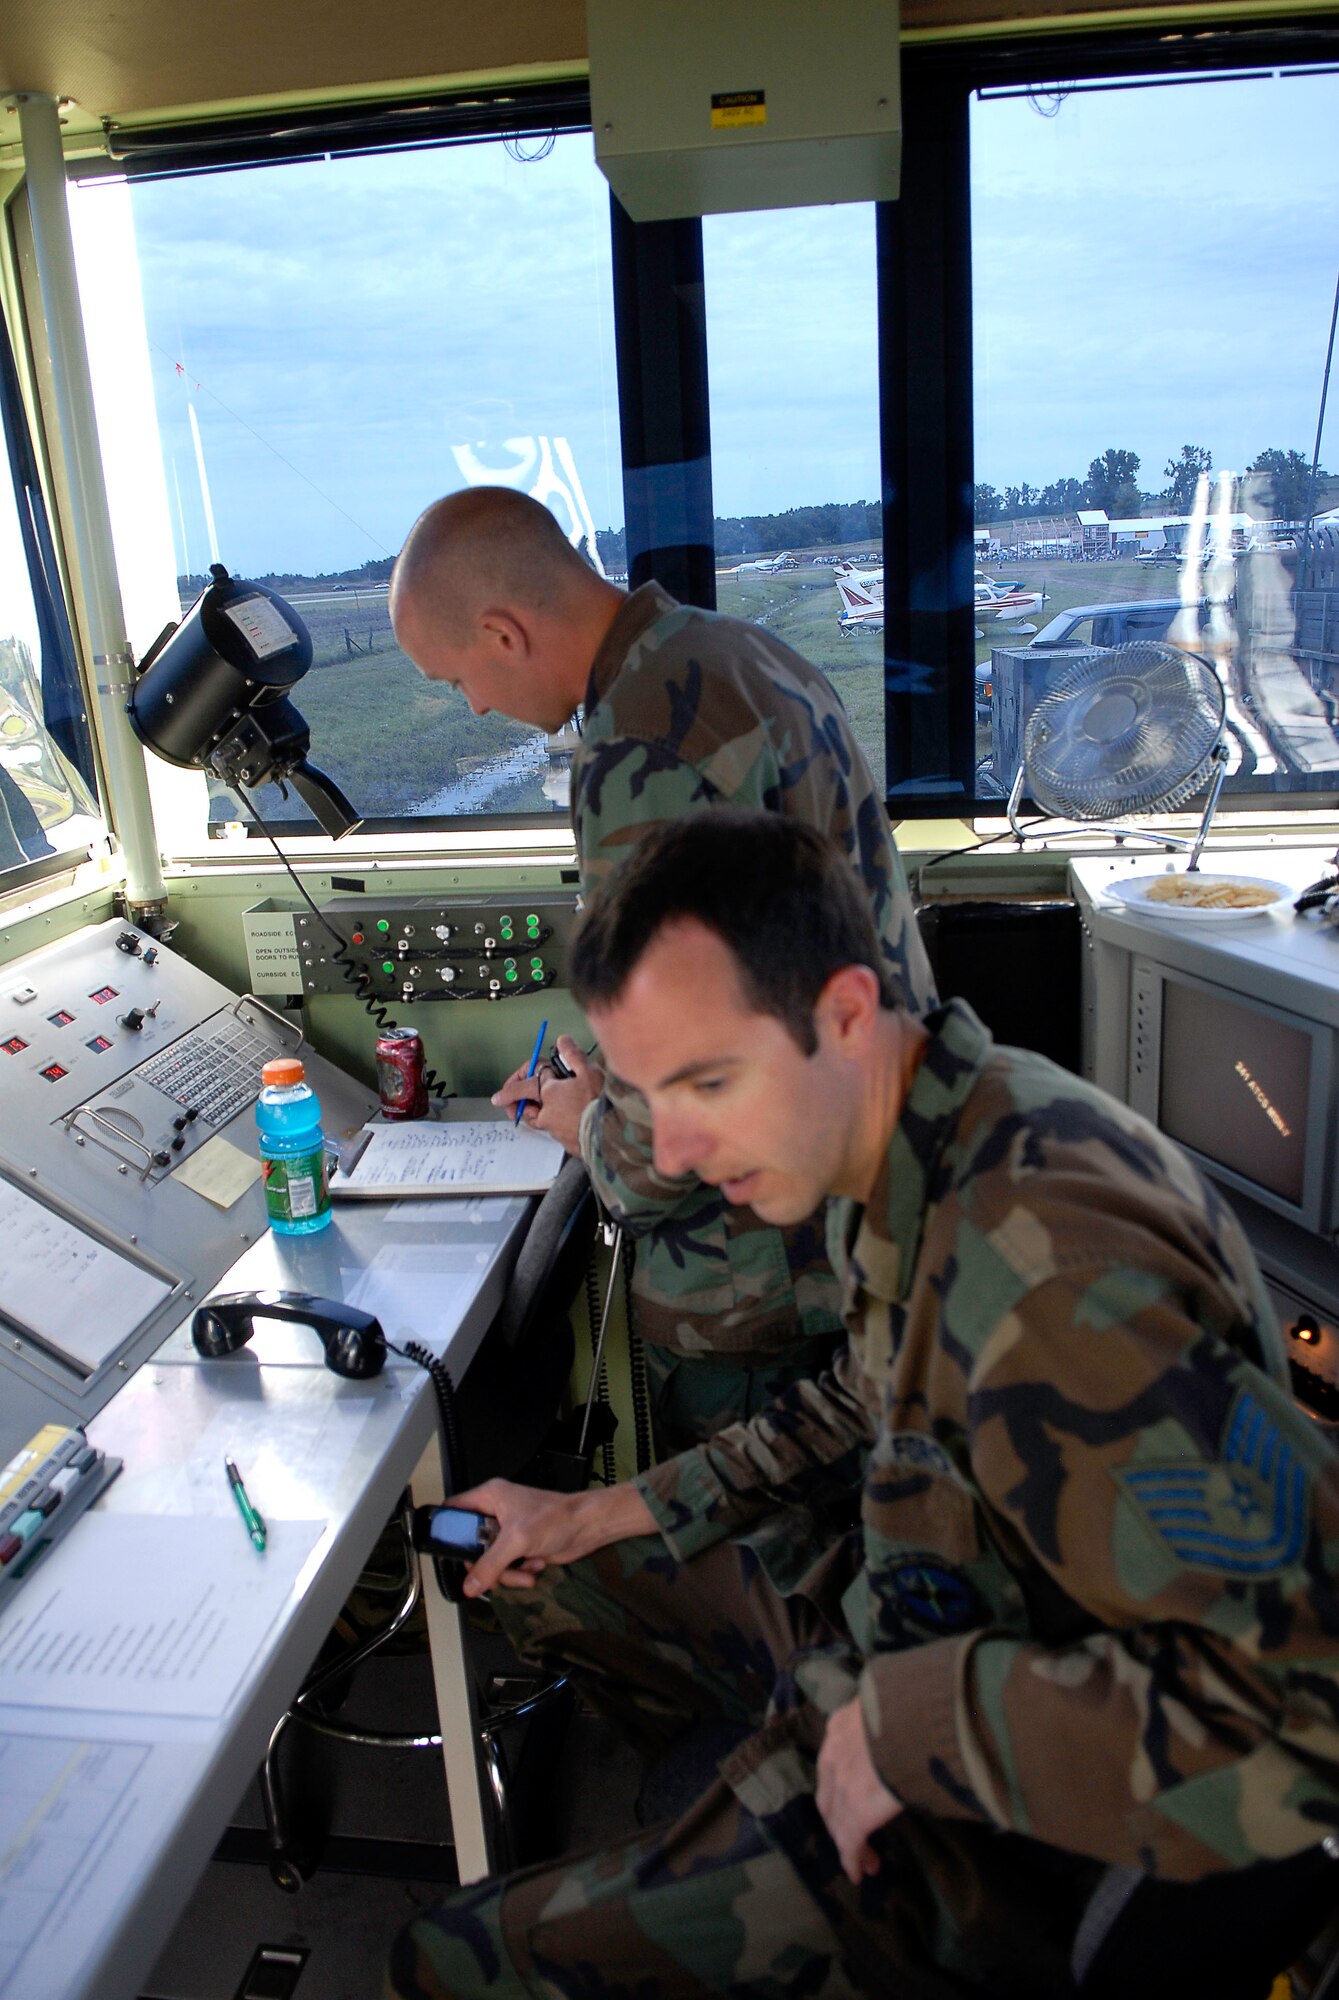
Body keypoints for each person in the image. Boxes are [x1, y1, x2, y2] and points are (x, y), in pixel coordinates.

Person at [388, 810, 1339, 2000]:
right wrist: (604, 1511)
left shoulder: (1048, 1279)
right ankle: (741, 1825)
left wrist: (908, 1723)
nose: (670, 1152)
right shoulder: (913, 1130)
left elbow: (1299, 1705)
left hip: (1026, 1798)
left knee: (453, 1964)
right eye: (642, 1093)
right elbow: (863, 1397)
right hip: (916, 1617)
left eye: (707, 1082)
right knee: (546, 1570)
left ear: (841, 1012)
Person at [390, 488, 935, 1450]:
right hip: (866, 1199)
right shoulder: (737, 654)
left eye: (455, 679)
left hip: (763, 1273)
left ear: (502, 632)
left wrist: (587, 1125)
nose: (472, 704)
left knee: (756, 1577)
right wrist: (604, 1074)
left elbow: (653, 1154)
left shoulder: (639, 745)